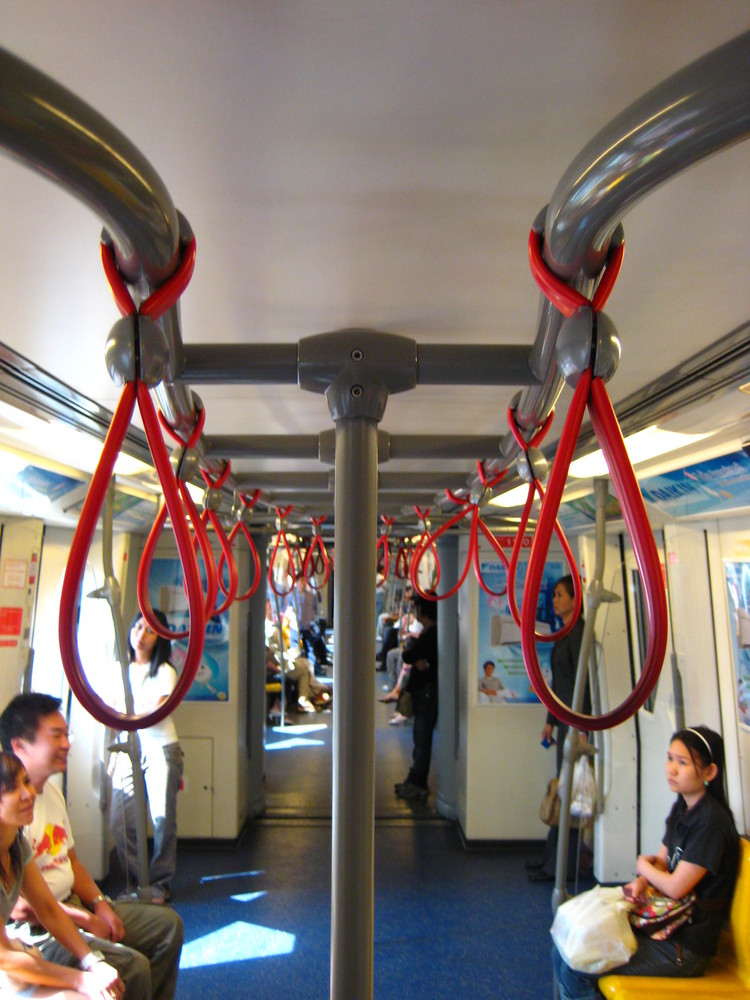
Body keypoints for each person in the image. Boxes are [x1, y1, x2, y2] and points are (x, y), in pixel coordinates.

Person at [0, 692, 183, 1000]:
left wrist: (99, 907)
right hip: (35, 931)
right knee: (131, 968)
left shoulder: (31, 823)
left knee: (168, 927)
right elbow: (23, 918)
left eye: (66, 734)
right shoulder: (17, 820)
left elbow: (66, 872)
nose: (66, 744)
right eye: (55, 736)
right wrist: (82, 970)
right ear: (19, 746)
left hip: (69, 906)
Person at [552, 725, 740, 998]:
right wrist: (643, 879)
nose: (671, 769)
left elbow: (675, 886)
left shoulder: (711, 824)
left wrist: (643, 867)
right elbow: (662, 863)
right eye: (670, 758)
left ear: (710, 772)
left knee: (577, 967)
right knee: (564, 950)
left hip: (685, 947)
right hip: (665, 928)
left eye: (683, 763)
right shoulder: (684, 807)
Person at [0, 750, 125, 998]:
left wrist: (92, 962)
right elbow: (4, 957)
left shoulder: (16, 843)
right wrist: (81, 980)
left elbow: (47, 907)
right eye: (13, 789)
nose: (28, 794)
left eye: (26, 782)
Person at [109, 610, 184, 904]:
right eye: (138, 627)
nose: (141, 634)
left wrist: (129, 712)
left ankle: (160, 884)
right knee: (121, 818)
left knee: (163, 819)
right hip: (126, 748)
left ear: (159, 639)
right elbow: (112, 713)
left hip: (160, 748)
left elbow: (152, 714)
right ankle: (134, 882)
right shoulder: (119, 670)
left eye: (150, 631)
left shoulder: (165, 671)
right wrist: (132, 712)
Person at [528, 574, 589, 882]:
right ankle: (551, 859)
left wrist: (582, 727)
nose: (554, 601)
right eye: (554, 595)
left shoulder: (578, 634)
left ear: (575, 599)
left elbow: (582, 683)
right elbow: (559, 684)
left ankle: (560, 868)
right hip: (564, 721)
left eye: (560, 595)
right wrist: (551, 721)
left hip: (575, 724)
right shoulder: (563, 633)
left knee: (569, 794)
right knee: (561, 790)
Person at [394, 591, 438, 800]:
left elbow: (408, 654)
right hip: (426, 693)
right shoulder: (431, 634)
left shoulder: (430, 635)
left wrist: (412, 650)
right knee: (420, 738)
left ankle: (419, 781)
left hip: (425, 693)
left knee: (421, 738)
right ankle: (415, 778)